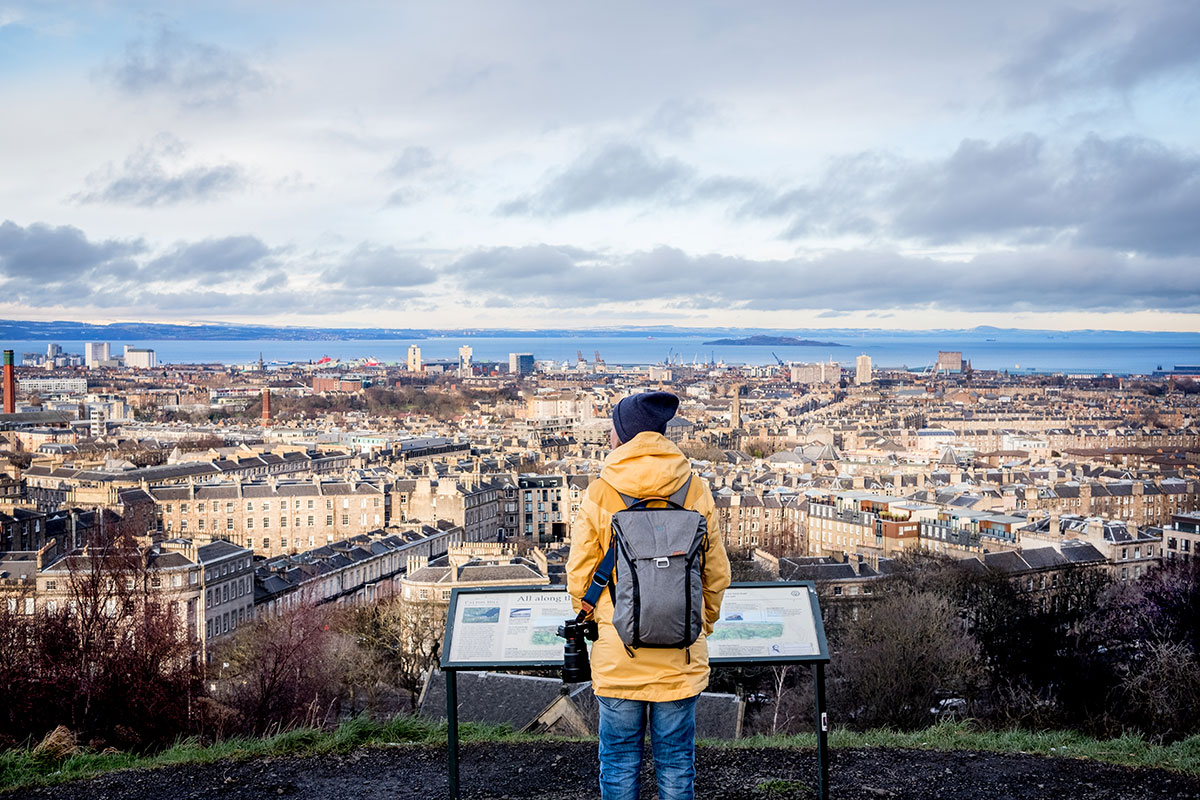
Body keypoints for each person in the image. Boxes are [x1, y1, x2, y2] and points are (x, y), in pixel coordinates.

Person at [567, 391, 731, 800]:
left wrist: (601, 623)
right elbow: (716, 575)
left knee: (620, 760)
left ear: (624, 433)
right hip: (681, 658)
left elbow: (579, 576)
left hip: (620, 657)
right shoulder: (695, 490)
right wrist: (697, 626)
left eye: (612, 427)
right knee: (676, 764)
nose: (608, 434)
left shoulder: (601, 493)